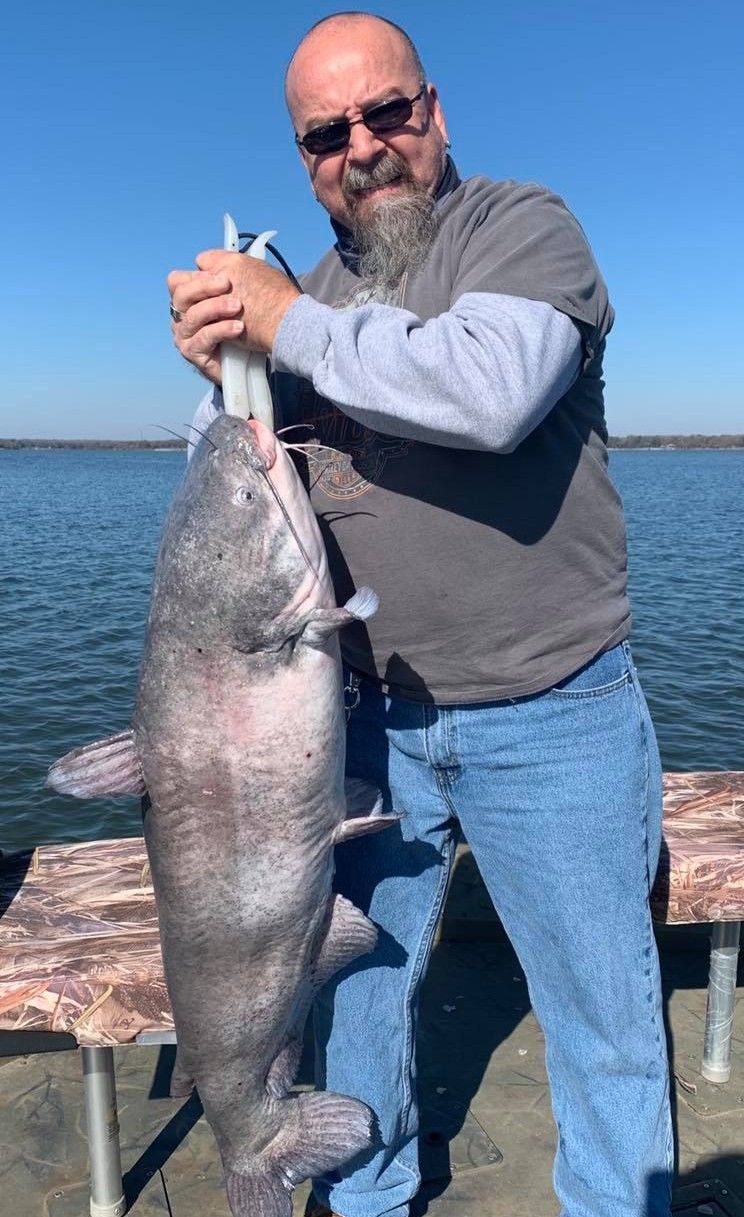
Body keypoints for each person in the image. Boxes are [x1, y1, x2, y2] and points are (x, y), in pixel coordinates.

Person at [167, 11, 673, 1217]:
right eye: (327, 133)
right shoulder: (308, 296)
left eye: (387, 112)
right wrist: (224, 376)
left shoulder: (520, 230)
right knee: (356, 1004)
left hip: (557, 715)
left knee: (603, 1020)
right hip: (363, 730)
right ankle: (366, 1194)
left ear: (434, 111)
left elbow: (491, 391)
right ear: (306, 161)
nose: (365, 146)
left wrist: (282, 322)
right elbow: (231, 493)